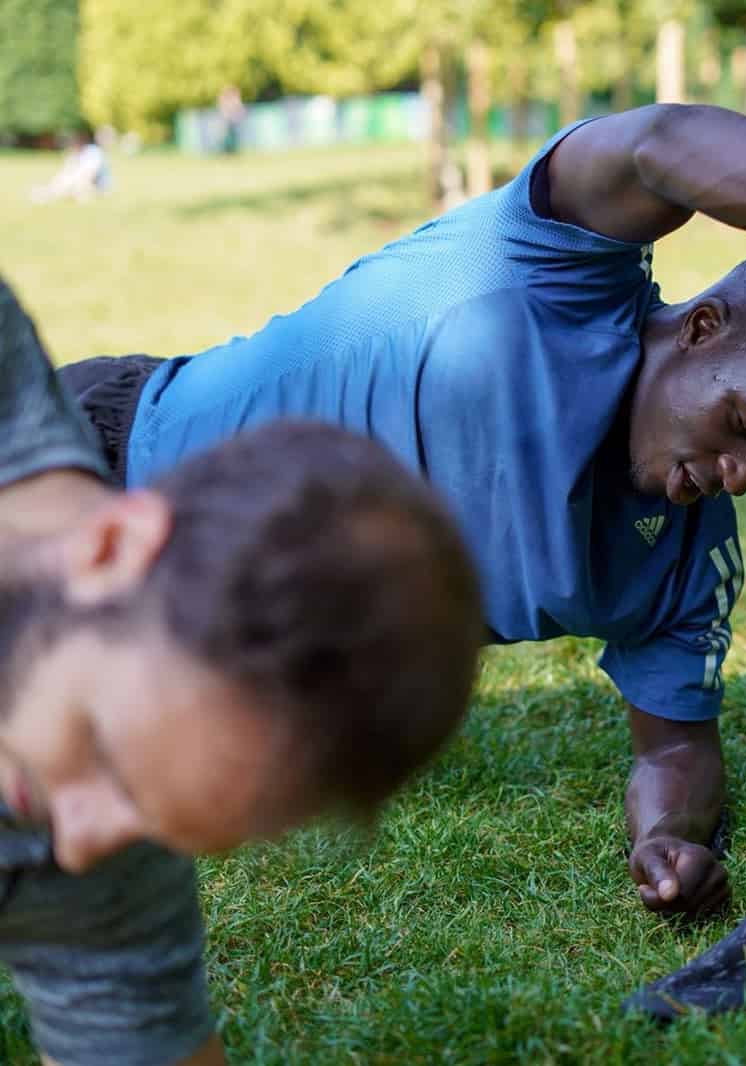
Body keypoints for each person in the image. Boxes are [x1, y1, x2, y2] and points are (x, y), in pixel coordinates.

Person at [61, 103, 746, 922]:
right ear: (698, 328)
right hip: (84, 463)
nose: (743, 474)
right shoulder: (555, 274)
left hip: (168, 657)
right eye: (742, 422)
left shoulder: (679, 563)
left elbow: (672, 745)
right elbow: (666, 145)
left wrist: (665, 837)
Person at [0, 278, 482, 1065]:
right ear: (113, 550)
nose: (81, 847)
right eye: (107, 756)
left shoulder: (105, 838)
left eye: (156, 826)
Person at [30, 129, 113, 204]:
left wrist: (77, 185)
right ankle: (49, 191)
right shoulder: (82, 152)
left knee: (70, 182)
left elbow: (89, 174)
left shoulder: (93, 151)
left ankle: (48, 193)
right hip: (84, 182)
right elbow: (68, 169)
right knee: (66, 179)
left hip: (98, 187)